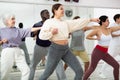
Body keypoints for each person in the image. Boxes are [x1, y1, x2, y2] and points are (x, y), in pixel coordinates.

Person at [39, 3, 99, 80]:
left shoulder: (65, 23)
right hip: (55, 50)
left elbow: (77, 22)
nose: (63, 10)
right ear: (55, 10)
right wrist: (51, 33)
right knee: (47, 73)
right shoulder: (49, 22)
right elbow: (41, 36)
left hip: (66, 49)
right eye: (61, 9)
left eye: (63, 9)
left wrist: (91, 19)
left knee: (79, 71)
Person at [0, 13, 41, 80]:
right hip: (7, 51)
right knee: (4, 73)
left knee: (26, 70)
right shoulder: (1, 31)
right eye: (12, 19)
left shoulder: (17, 30)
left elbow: (29, 29)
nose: (14, 21)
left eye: (14, 19)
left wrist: (41, 27)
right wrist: (2, 41)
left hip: (17, 51)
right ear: (7, 20)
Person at [29, 9, 67, 80]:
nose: (48, 14)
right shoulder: (37, 24)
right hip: (39, 47)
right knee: (33, 65)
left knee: (58, 63)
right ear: (42, 15)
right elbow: (32, 34)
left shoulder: (52, 23)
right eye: (46, 13)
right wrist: (35, 32)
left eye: (49, 13)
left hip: (50, 47)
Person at [83, 15, 120, 80]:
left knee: (116, 65)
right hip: (97, 52)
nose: (109, 22)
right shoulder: (97, 29)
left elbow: (118, 27)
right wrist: (96, 38)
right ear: (103, 22)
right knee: (92, 68)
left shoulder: (110, 29)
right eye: (107, 20)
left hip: (105, 53)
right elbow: (88, 36)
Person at [99, 14, 120, 78]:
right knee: (109, 59)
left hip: (119, 44)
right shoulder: (112, 25)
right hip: (114, 45)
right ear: (117, 18)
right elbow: (110, 35)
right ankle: (101, 72)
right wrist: (119, 35)